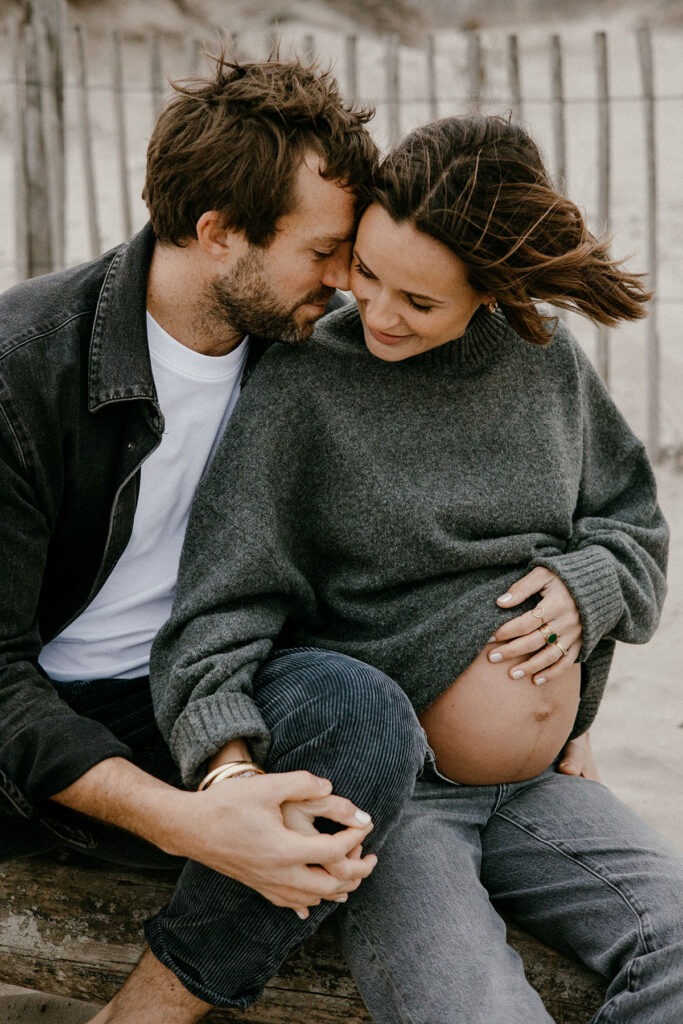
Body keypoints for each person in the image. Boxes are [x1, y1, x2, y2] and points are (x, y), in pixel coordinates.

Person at [151, 114, 683, 1023]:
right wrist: (227, 767)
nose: (380, 315)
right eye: (366, 272)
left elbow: (633, 526)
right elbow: (219, 607)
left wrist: (586, 589)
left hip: (543, 790)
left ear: (492, 289)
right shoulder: (305, 382)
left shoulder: (544, 361)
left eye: (421, 301)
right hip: (397, 811)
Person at [0, 55, 430, 1024]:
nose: (345, 280)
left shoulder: (318, 351)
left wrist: (578, 601)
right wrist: (195, 826)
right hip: (20, 724)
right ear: (216, 232)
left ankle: (143, 1014)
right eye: (321, 250)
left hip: (188, 706)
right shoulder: (21, 369)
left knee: (358, 713)